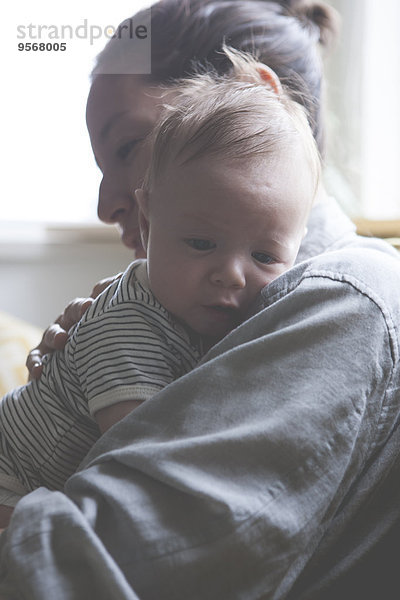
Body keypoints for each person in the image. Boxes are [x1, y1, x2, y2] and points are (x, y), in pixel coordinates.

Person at [2, 1, 400, 599]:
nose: (110, 201)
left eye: (129, 146)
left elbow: (91, 566)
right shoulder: (180, 313)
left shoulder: (346, 298)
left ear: (255, 95)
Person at [0, 48, 320, 520]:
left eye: (265, 256)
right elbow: (145, 467)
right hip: (12, 479)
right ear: (149, 219)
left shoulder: (317, 297)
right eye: (199, 242)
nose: (231, 273)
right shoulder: (126, 326)